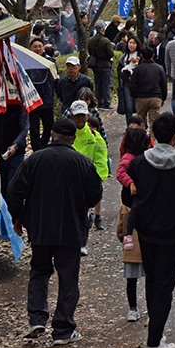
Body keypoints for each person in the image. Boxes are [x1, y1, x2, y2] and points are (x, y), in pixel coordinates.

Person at [9, 117, 103, 345]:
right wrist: (81, 208)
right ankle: (62, 329)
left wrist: (19, 216)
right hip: (71, 228)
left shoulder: (35, 160)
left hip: (40, 226)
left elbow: (14, 189)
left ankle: (36, 318)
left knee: (39, 271)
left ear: (52, 134)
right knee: (68, 278)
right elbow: (95, 194)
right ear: (72, 138)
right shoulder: (82, 162)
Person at [126, 113, 175, 348]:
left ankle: (155, 332)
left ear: (153, 136)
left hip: (146, 231)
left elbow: (129, 196)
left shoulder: (139, 163)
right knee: (165, 286)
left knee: (152, 280)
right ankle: (154, 341)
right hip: (172, 232)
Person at [116, 125, 151, 322]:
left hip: (138, 212)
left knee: (138, 264)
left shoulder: (145, 157)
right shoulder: (128, 159)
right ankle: (133, 307)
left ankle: (137, 307)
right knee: (132, 265)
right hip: (131, 211)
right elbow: (121, 173)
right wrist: (131, 183)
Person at [68, 97, 109, 247]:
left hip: (86, 183)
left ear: (87, 116)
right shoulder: (64, 135)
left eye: (82, 115)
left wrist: (95, 181)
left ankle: (81, 243)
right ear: (71, 116)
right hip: (67, 183)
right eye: (76, 115)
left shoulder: (95, 137)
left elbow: (101, 162)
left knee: (84, 215)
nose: (79, 118)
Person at [27, 38, 57, 151]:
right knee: (34, 129)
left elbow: (55, 78)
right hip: (33, 100)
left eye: (40, 46)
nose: (38, 49)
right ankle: (36, 150)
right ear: (30, 48)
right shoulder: (26, 62)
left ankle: (43, 147)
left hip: (47, 98)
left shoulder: (49, 61)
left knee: (49, 126)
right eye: (35, 46)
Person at [129, 47, 168, 130]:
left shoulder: (138, 69)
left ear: (141, 56)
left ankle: (141, 138)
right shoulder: (159, 68)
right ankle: (152, 140)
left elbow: (133, 85)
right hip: (155, 97)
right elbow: (163, 84)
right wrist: (163, 98)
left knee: (140, 121)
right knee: (154, 122)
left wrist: (135, 96)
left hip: (141, 97)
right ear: (153, 55)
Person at [88, 27, 116, 109]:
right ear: (103, 30)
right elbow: (111, 54)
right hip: (105, 65)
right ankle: (107, 103)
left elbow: (90, 52)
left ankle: (98, 102)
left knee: (98, 84)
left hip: (95, 65)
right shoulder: (106, 41)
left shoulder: (91, 40)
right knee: (106, 84)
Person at [117, 36, 142, 122]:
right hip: (127, 83)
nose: (131, 45)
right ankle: (129, 126)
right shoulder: (124, 57)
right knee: (128, 106)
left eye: (134, 43)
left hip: (139, 84)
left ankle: (141, 125)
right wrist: (126, 77)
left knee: (140, 106)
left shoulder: (140, 56)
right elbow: (119, 70)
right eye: (130, 43)